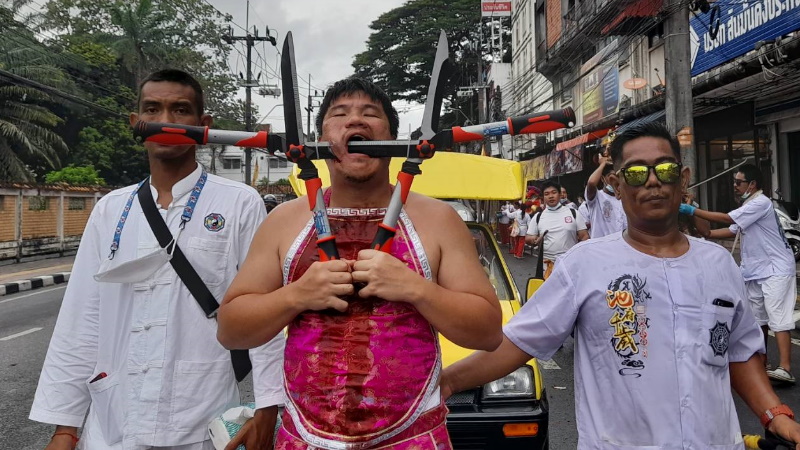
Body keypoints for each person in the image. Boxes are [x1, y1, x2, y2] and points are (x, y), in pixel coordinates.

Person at [441, 122, 800, 449]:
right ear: (616, 183)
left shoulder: (719, 263)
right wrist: (443, 383)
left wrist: (775, 415)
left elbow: (739, 352)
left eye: (665, 169)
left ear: (684, 178)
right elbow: (517, 343)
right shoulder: (584, 264)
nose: (653, 180)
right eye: (637, 172)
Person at [216, 77, 503, 449]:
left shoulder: (438, 219)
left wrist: (416, 288)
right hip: (304, 438)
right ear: (321, 137)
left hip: (414, 438)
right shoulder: (284, 220)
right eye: (340, 114)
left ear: (392, 137)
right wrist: (297, 295)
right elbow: (231, 331)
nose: (355, 122)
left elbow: (487, 332)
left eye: (370, 114)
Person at [30, 69, 284, 450]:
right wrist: (65, 426)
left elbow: (262, 308)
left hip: (202, 415)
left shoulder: (238, 203)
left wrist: (269, 406)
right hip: (113, 421)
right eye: (153, 109)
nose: (166, 121)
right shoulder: (110, 210)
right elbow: (81, 320)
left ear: (204, 125)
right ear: (137, 123)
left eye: (181, 110)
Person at [684, 164, 797, 383]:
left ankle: (785, 368)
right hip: (755, 271)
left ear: (752, 184)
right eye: (734, 182)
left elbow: (728, 219)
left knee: (777, 317)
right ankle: (763, 364)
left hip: (776, 269)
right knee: (758, 320)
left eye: (738, 182)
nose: (735, 186)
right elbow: (714, 231)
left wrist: (692, 211)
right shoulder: (749, 206)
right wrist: (696, 214)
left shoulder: (761, 203)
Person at [526, 181, 588, 279]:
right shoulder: (538, 216)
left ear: (560, 195)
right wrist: (534, 240)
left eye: (554, 192)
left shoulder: (573, 213)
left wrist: (579, 257)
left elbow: (584, 236)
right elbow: (528, 237)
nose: (551, 196)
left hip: (570, 265)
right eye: (547, 194)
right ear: (543, 198)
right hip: (547, 267)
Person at [583, 153, 626, 238]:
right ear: (602, 178)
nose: (615, 180)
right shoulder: (597, 197)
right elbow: (591, 183)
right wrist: (602, 164)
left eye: (618, 176)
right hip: (601, 247)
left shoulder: (625, 197)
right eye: (611, 177)